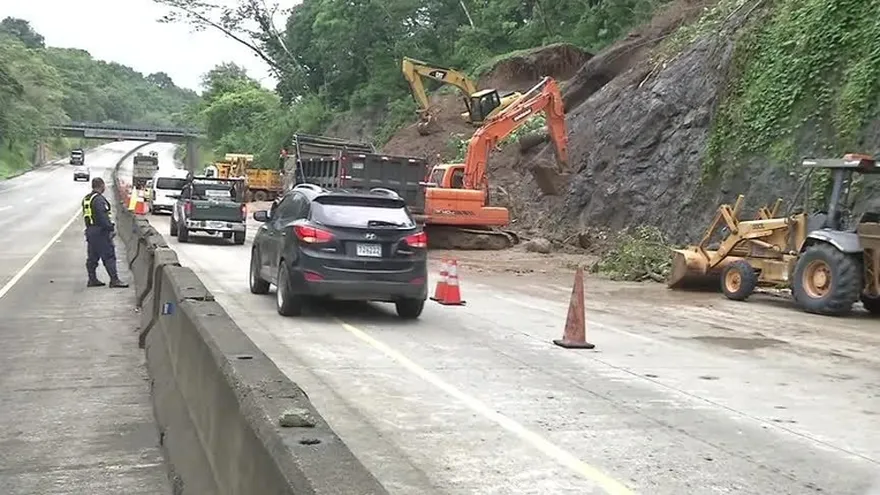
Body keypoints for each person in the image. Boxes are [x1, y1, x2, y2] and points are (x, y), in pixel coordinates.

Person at [82, 177, 129, 288]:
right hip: (100, 232)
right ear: (101, 185)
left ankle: (92, 279)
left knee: (92, 257)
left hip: (90, 231)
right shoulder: (99, 200)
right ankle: (114, 280)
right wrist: (110, 228)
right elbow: (102, 217)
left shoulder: (87, 198)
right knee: (109, 256)